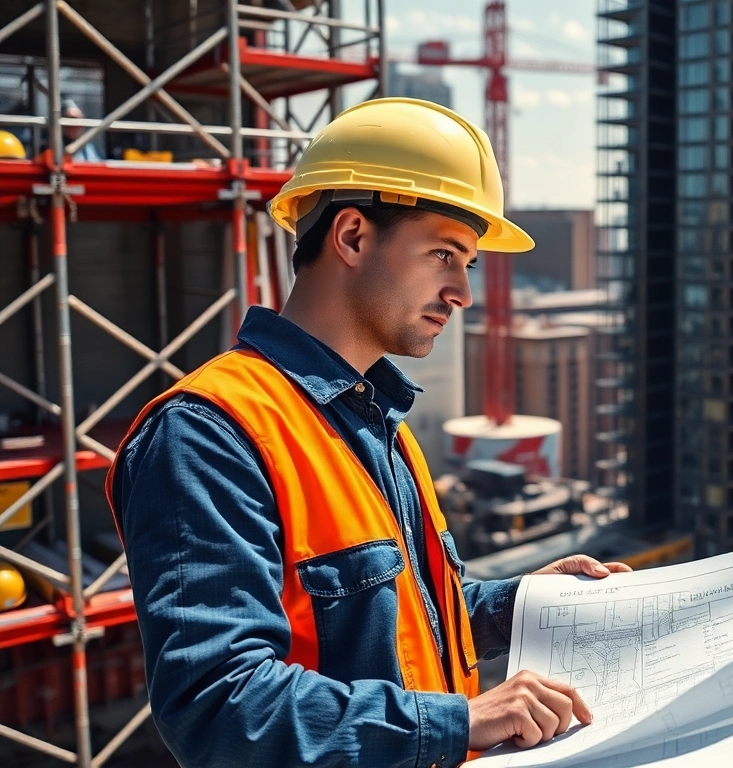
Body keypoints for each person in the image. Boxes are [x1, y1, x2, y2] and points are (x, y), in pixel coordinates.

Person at [107, 98, 630, 767]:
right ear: (352, 236)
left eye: (466, 264)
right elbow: (219, 708)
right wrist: (459, 722)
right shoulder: (210, 435)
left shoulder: (378, 424)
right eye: (444, 254)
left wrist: (523, 605)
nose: (461, 293)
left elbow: (403, 629)